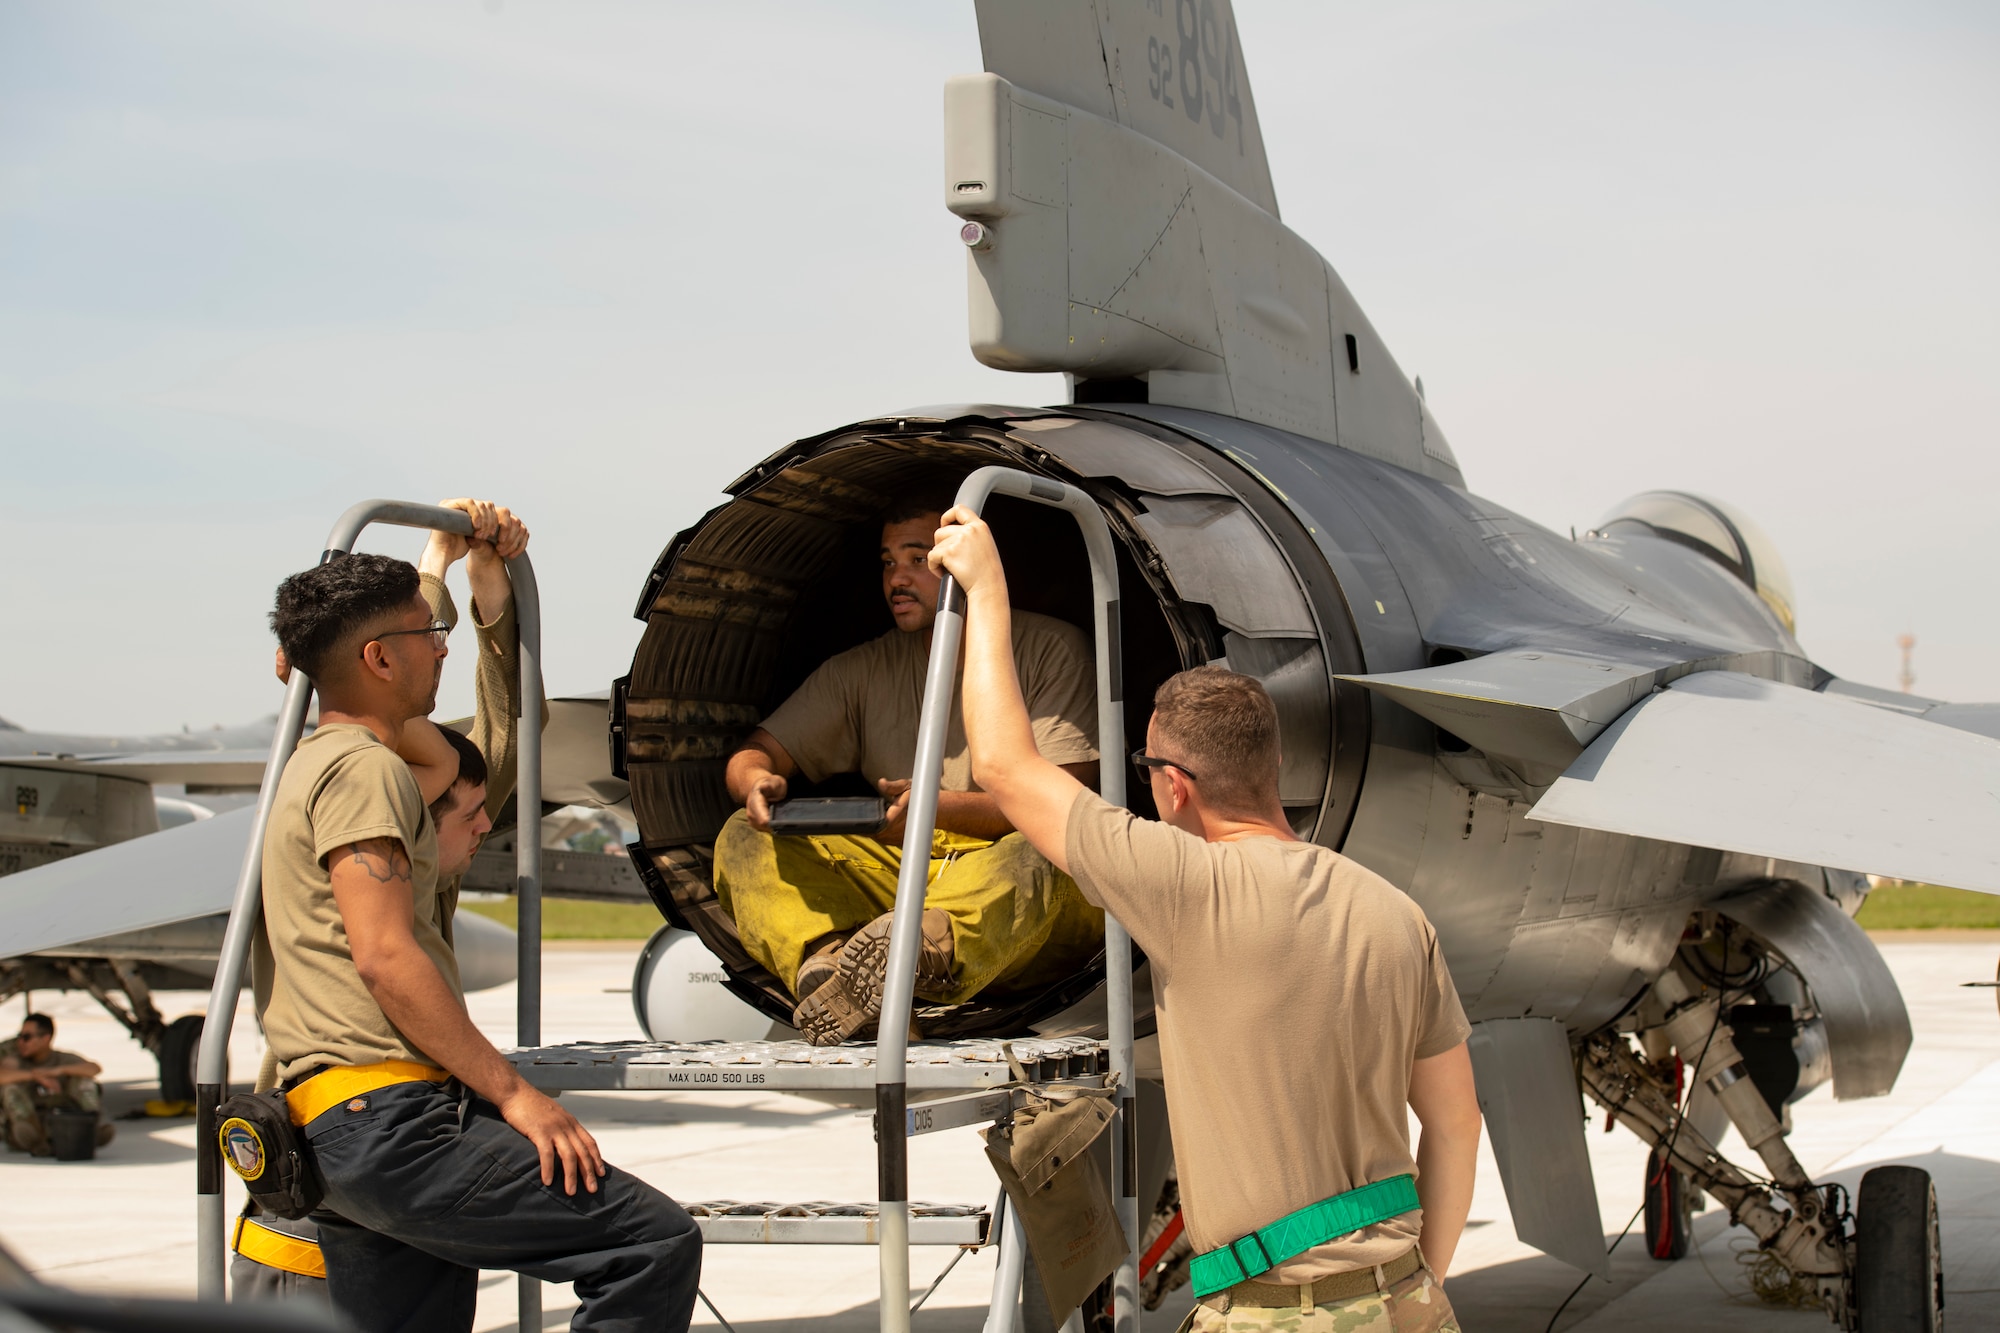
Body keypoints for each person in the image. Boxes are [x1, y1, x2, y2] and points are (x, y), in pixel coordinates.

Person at [929, 508, 1484, 1333]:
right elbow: (1455, 1125)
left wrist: (987, 588)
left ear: (1174, 785)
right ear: (1272, 765)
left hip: (1270, 1314)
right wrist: (1422, 1285)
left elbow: (1007, 767)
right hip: (1404, 1300)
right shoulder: (1398, 915)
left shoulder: (1183, 884)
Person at [255, 501, 702, 1333]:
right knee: (652, 1243)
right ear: (380, 657)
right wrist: (517, 1094)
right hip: (389, 1122)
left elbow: (496, 743)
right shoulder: (367, 773)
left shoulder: (323, 761)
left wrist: (470, 573)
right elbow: (386, 955)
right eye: (430, 636)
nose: (441, 646)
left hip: (336, 1135)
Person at [233, 498, 536, 1304]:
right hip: (308, 1212)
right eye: (466, 814)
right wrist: (431, 574)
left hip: (405, 1180)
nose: (483, 826)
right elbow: (386, 691)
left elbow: (500, 742)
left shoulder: (429, 853)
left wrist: (485, 580)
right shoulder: (356, 785)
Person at [714, 491, 1104, 1045]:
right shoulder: (862, 669)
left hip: (1005, 880)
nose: (897, 579)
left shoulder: (1049, 650)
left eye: (918, 559)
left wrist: (931, 809)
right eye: (887, 562)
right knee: (742, 838)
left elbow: (1068, 804)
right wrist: (756, 782)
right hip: (906, 874)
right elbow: (756, 751)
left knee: (1050, 849)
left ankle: (918, 954)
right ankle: (834, 970)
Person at [0, 1013, 114, 1155]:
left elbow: (94, 1068)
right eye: (20, 1037)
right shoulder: (17, 1061)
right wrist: (35, 1076)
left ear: (45, 1039)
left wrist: (58, 1071)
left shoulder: (61, 1059)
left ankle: (92, 1126)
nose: (20, 1042)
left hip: (62, 1123)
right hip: (31, 1123)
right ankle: (33, 1139)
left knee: (85, 1082)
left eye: (26, 1037)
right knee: (10, 1089)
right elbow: (3, 1074)